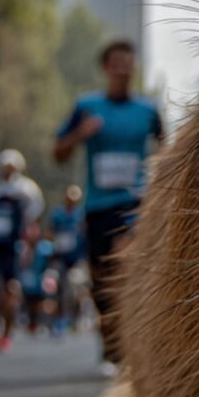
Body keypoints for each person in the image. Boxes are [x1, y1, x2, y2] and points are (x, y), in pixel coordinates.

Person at [54, 40, 162, 374]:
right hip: (97, 206)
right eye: (116, 63)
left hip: (134, 203)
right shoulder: (87, 106)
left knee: (121, 263)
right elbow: (58, 152)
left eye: (128, 63)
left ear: (134, 67)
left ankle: (128, 342)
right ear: (106, 68)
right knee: (101, 279)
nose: (122, 69)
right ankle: (110, 342)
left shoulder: (148, 111)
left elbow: (168, 151)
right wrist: (80, 135)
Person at [0, 149, 44, 352]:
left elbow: (34, 221)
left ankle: (7, 331)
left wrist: (29, 246)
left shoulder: (27, 190)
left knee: (12, 287)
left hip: (15, 246)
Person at [49, 184, 85, 335]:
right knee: (59, 290)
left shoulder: (81, 215)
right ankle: (60, 319)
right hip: (61, 258)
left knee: (76, 289)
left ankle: (75, 318)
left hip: (77, 259)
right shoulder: (58, 215)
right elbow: (50, 232)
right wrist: (56, 241)